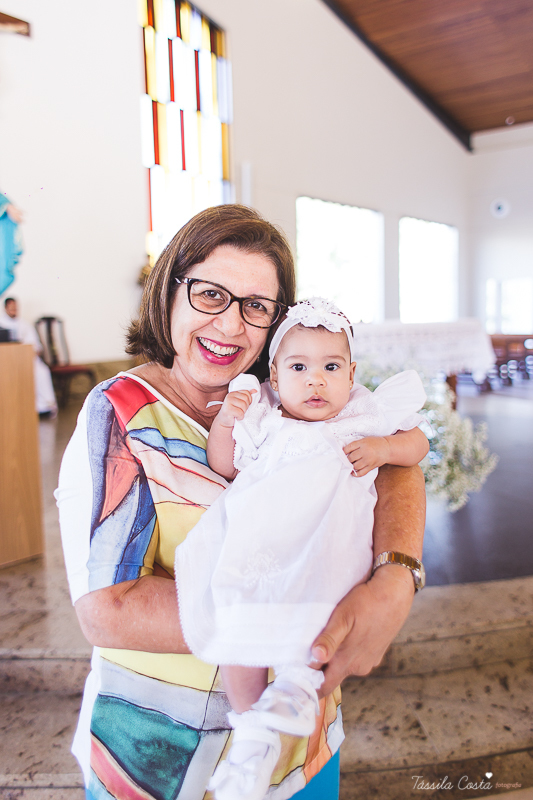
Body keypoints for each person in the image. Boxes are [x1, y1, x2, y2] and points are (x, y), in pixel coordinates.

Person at [56, 205, 427, 800]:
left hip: (303, 743)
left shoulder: (299, 390)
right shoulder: (122, 412)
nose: (230, 325)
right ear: (169, 293)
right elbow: (109, 609)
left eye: (256, 306)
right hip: (165, 756)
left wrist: (397, 578)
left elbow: (394, 463)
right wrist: (291, 613)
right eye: (209, 294)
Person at [175, 297, 428, 800]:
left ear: (352, 372)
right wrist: (227, 419)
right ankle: (250, 731)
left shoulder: (361, 412)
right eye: (299, 367)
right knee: (236, 617)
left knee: (321, 609)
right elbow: (223, 464)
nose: (316, 380)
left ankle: (297, 685)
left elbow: (417, 444)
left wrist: (383, 449)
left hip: (328, 543)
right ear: (274, 373)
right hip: (264, 544)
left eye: (331, 367)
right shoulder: (265, 417)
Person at [0, 297, 57, 416]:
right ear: (5, 308)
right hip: (7, 361)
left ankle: (44, 406)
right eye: (11, 308)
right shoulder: (1, 323)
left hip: (26, 359)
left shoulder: (24, 324)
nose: (14, 310)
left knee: (42, 372)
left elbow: (36, 345)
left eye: (16, 308)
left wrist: (31, 352)